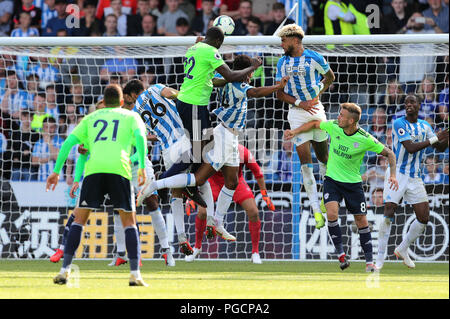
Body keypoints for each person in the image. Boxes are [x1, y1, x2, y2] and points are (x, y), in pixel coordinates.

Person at [138, 55, 288, 242]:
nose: (251, 76)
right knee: (200, 178)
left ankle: (217, 222)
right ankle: (158, 183)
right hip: (223, 135)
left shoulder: (225, 82)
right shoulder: (239, 86)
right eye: (250, 72)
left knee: (232, 181)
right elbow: (256, 92)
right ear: (244, 72)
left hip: (232, 137)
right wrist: (277, 86)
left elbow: (216, 81)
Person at [46, 84, 149, 287]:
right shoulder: (130, 116)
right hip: (119, 169)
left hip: (94, 171)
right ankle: (135, 274)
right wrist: (142, 167)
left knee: (78, 220)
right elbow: (141, 139)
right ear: (121, 102)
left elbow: (68, 144)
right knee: (129, 221)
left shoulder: (91, 118)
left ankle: (65, 270)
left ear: (104, 100)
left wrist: (56, 171)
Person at [285, 103, 399, 272]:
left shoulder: (365, 138)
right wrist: (295, 131)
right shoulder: (334, 127)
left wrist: (393, 175)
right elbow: (315, 124)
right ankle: (341, 255)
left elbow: (389, 153)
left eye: (341, 115)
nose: (338, 117)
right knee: (331, 213)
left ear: (351, 120)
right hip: (332, 180)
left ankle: (369, 262)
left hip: (353, 184)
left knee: (361, 221)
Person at [156, 27, 261, 205]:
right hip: (193, 104)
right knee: (197, 152)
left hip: (192, 103)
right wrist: (253, 67)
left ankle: (191, 186)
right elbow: (229, 74)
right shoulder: (210, 51)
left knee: (207, 144)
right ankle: (163, 181)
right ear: (219, 43)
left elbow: (215, 80)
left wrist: (233, 79)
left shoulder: (193, 49)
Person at [121, 79, 194, 256]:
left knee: (177, 193)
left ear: (132, 95)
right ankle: (213, 222)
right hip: (183, 139)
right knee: (200, 180)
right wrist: (186, 97)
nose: (130, 103)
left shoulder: (136, 112)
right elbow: (173, 93)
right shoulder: (156, 88)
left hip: (166, 150)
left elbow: (145, 137)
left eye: (129, 100)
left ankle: (182, 237)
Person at [376, 93, 449, 270]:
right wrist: (435, 138)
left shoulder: (424, 125)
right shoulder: (399, 123)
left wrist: (446, 137)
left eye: (412, 102)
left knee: (423, 217)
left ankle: (403, 248)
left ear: (419, 105)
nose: (408, 104)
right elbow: (409, 147)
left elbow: (439, 147)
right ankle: (379, 259)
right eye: (406, 102)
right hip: (397, 173)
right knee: (389, 210)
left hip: (415, 176)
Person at [275, 24, 335, 229]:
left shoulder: (314, 58)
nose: (281, 44)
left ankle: (327, 196)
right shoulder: (282, 62)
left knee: (323, 157)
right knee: (305, 164)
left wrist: (318, 92)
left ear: (294, 40)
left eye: (284, 40)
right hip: (297, 113)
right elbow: (280, 94)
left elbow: (330, 77)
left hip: (316, 110)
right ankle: (316, 211)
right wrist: (301, 103)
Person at [185, 144, 275, 264]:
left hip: (236, 182)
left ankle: (255, 252)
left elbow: (258, 173)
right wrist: (191, 196)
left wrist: (264, 195)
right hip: (214, 182)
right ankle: (197, 247)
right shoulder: (210, 151)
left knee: (253, 211)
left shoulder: (243, 152)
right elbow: (197, 172)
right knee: (202, 212)